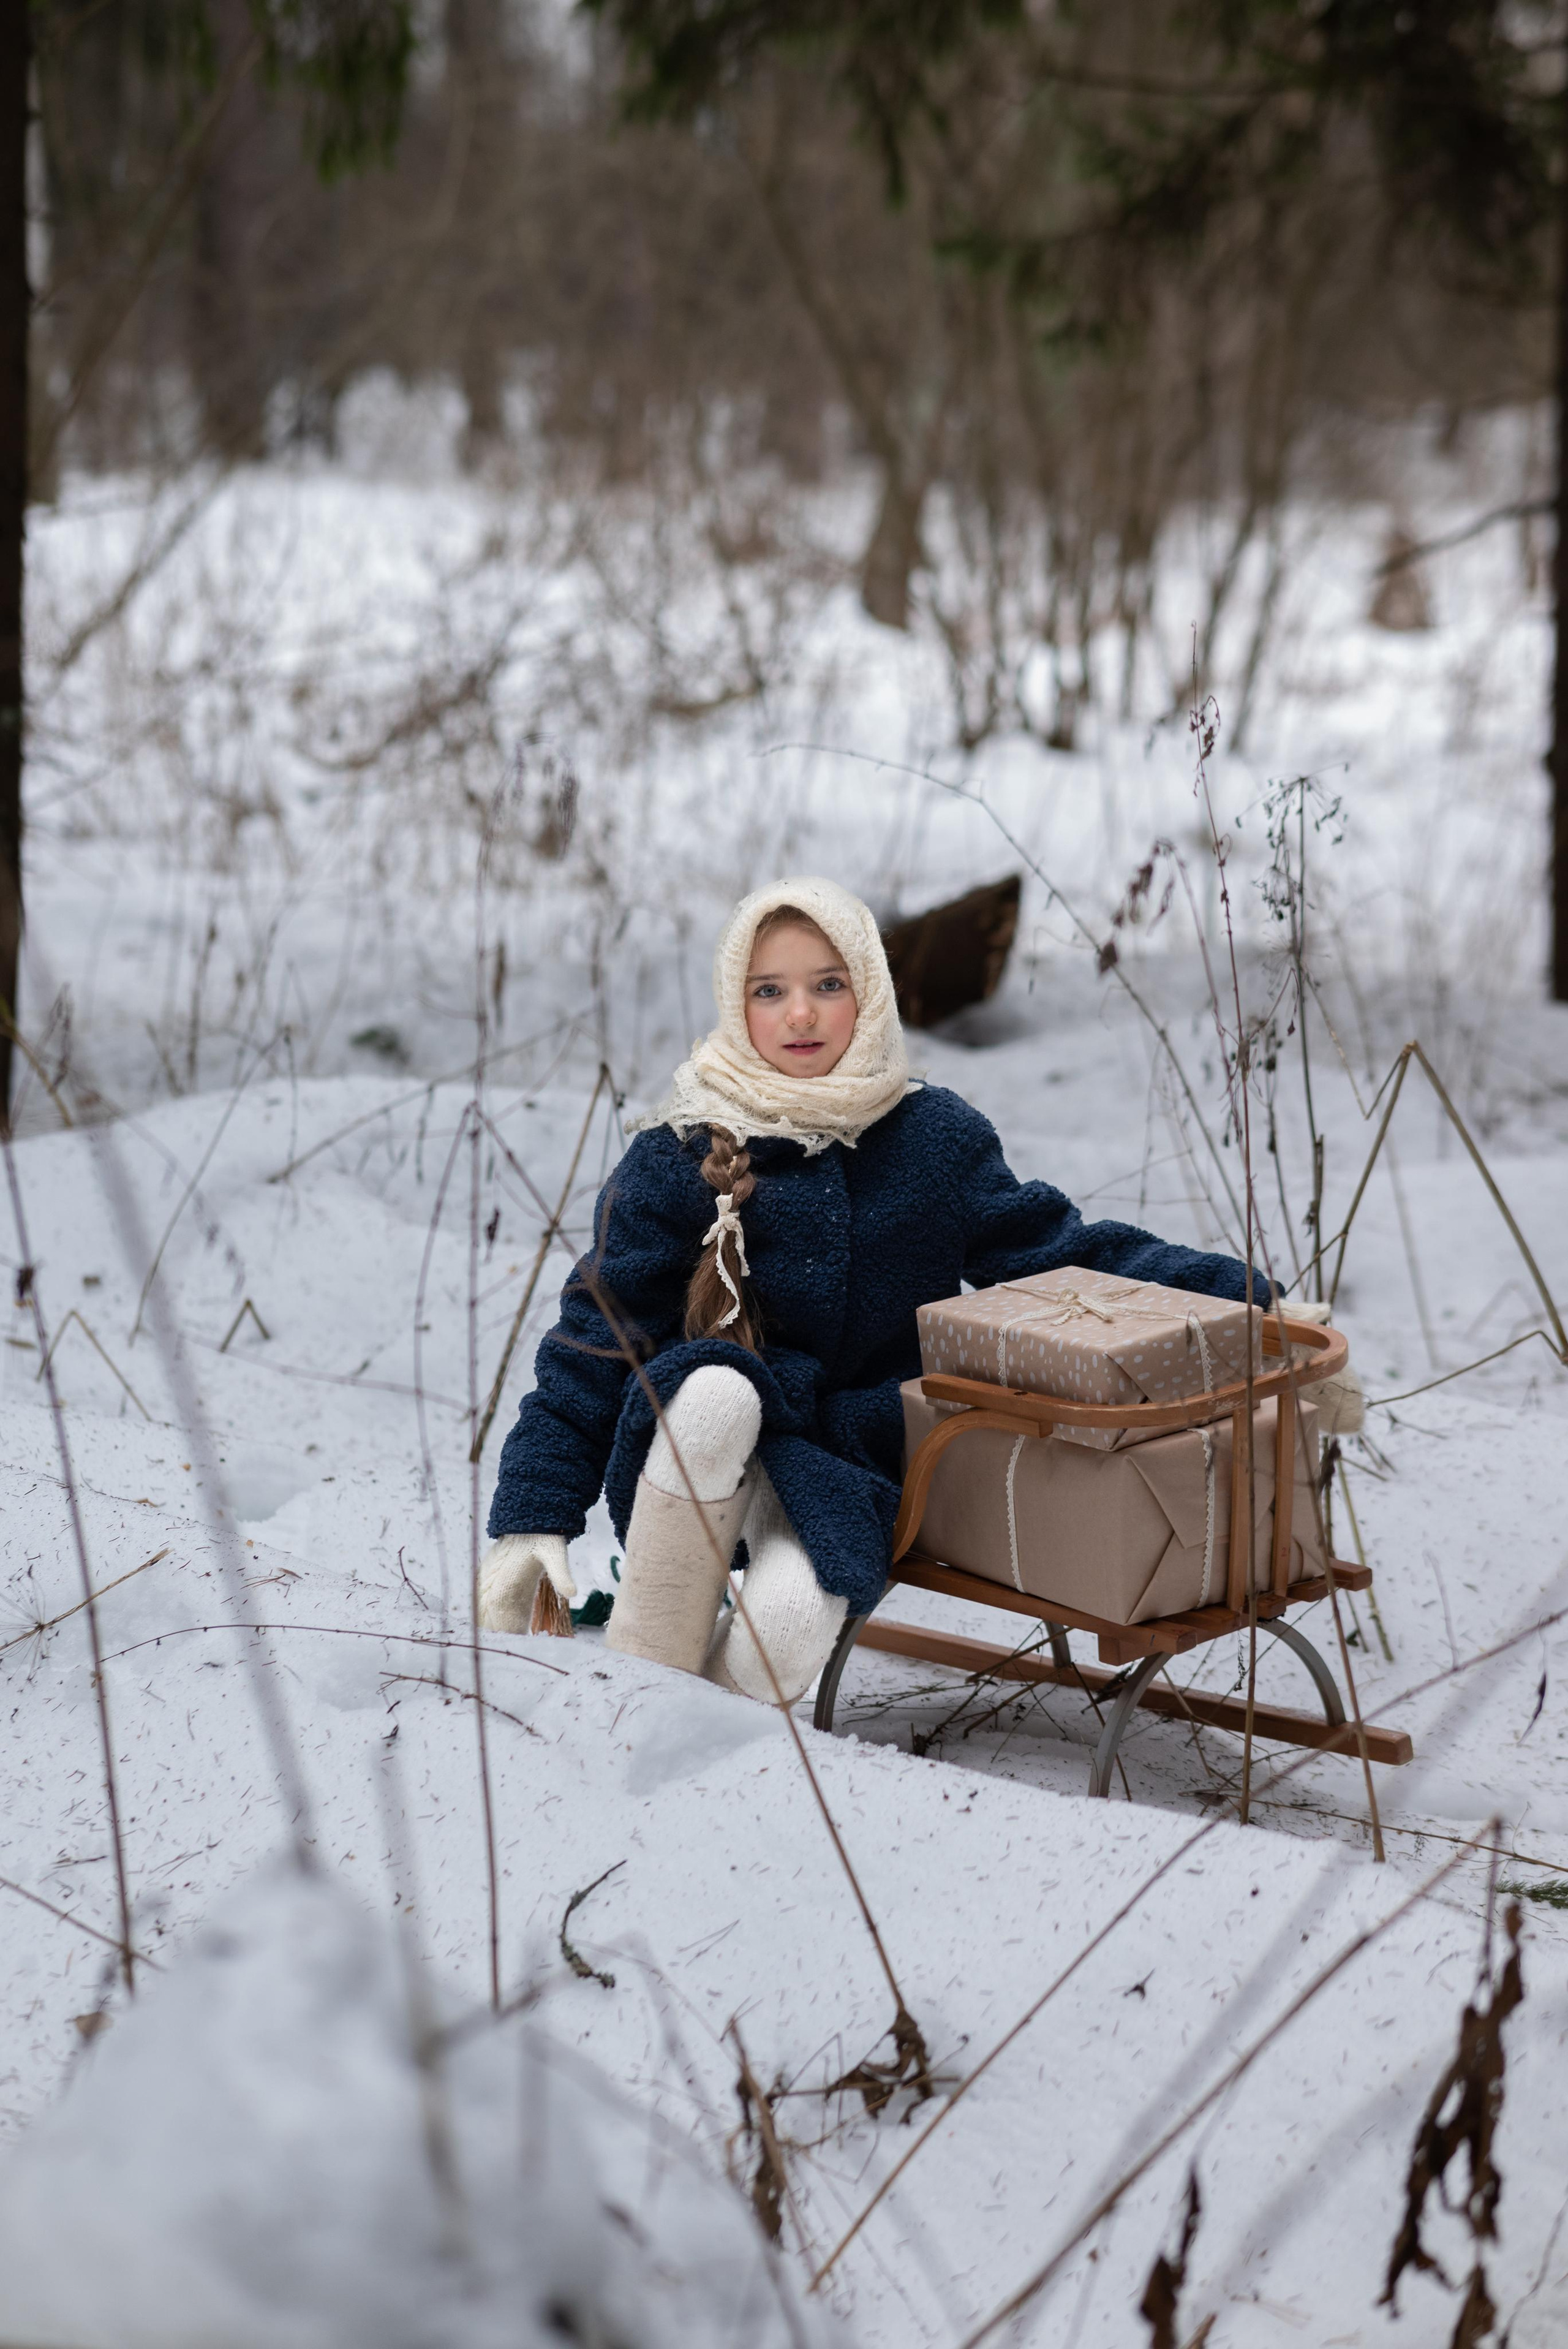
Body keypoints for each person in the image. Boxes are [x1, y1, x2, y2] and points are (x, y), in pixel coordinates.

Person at [477, 876, 1279, 1704]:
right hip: (694, 1446)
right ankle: (635, 1688)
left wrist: (1244, 1300)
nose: (801, 1014)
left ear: (870, 989)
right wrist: (533, 1512)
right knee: (719, 1391)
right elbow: (598, 1334)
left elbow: (1060, 1257)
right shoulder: (678, 1151)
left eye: (829, 984)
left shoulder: (933, 1139)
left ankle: (702, 1723)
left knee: (788, 1629)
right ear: (735, 1002)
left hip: (846, 1458)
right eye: (769, 990)